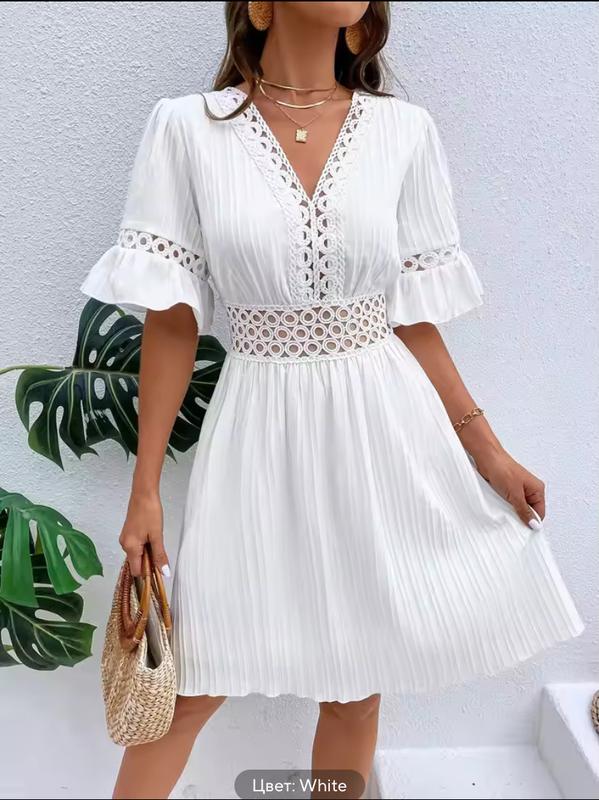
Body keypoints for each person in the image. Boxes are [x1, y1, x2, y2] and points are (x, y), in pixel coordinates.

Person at [80, 2, 584, 798]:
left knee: (355, 687)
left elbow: (410, 317)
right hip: (257, 431)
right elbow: (171, 322)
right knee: (190, 683)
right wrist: (145, 492)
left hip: (382, 427)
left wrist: (485, 451)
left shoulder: (403, 132)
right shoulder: (186, 129)